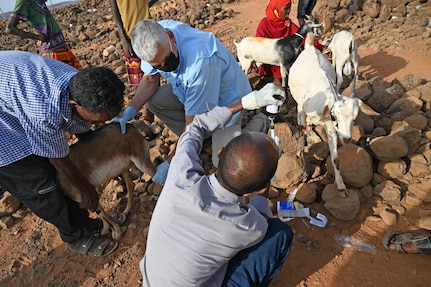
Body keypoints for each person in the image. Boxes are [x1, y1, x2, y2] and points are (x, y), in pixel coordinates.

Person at [140, 101, 293, 286]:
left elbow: (196, 126)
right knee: (279, 233)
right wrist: (262, 196)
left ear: (219, 154)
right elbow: (262, 218)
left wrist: (245, 103)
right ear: (260, 187)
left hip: (153, 282)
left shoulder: (180, 177)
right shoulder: (250, 227)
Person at [113, 19, 285, 183]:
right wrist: (130, 110)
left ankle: (262, 118)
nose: (165, 67)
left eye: (167, 60)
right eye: (159, 65)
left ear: (171, 37)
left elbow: (192, 123)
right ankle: (197, 141)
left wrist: (171, 162)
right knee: (155, 101)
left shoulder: (201, 62)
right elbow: (150, 79)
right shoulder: (153, 38)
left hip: (227, 103)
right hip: (188, 93)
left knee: (224, 164)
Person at [0, 50, 125, 256]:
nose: (98, 124)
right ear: (74, 104)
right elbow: (58, 159)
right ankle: (74, 236)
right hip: (5, 136)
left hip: (12, 92)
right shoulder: (44, 110)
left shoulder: (77, 82)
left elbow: (80, 125)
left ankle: (81, 222)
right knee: (40, 184)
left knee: (59, 174)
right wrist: (87, 191)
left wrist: (104, 149)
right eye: (95, 120)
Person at [255, 0, 323, 87]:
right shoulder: (265, 24)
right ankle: (277, 79)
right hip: (270, 60)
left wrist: (318, 46)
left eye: (289, 8)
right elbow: (258, 45)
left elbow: (301, 36)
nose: (288, 11)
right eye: (286, 8)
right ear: (276, 9)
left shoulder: (288, 24)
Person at [5, 0, 82, 70]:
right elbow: (9, 28)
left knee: (77, 75)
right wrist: (37, 37)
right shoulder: (23, 1)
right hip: (51, 49)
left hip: (61, 46)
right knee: (65, 80)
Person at [109, 0, 152, 85]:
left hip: (148, 31)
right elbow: (115, 12)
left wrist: (145, 6)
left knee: (153, 74)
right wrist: (124, 40)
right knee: (138, 79)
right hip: (130, 36)